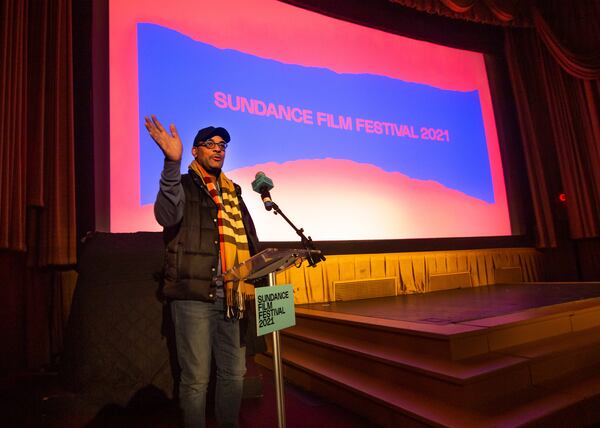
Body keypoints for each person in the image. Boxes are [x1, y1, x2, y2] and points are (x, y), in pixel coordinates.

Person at [145, 115, 262, 428]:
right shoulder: (182, 185)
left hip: (233, 296)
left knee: (234, 373)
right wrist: (172, 163)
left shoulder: (233, 192)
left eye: (222, 145)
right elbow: (166, 215)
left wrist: (259, 277)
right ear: (195, 152)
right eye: (210, 144)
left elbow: (249, 240)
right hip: (195, 295)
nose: (218, 149)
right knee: (196, 379)